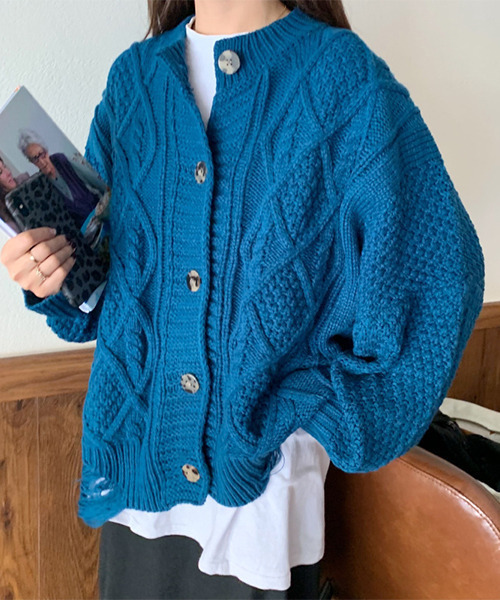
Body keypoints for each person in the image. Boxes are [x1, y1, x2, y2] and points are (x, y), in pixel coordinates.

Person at [0, 1, 485, 599]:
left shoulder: (340, 76)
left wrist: (328, 406)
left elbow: (440, 276)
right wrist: (51, 277)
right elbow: (110, 286)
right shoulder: (135, 79)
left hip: (260, 495)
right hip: (136, 470)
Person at [17, 129, 108, 230]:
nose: (42, 162)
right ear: (31, 161)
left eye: (41, 154)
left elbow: (95, 181)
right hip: (84, 230)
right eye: (35, 159)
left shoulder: (62, 160)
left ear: (45, 150)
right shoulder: (42, 186)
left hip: (99, 213)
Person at [0, 155, 29, 232]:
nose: (8, 173)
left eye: (5, 166)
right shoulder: (3, 218)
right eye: (0, 172)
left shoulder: (25, 181)